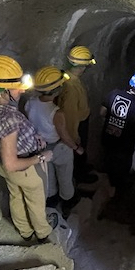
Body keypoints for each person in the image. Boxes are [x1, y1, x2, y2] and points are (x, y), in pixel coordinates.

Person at [0, 55, 55, 243]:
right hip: (24, 168)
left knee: (16, 197)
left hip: (1, 164)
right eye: (16, 88)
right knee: (35, 202)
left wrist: (32, 137)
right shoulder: (7, 118)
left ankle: (25, 232)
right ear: (2, 92)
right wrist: (42, 157)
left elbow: (8, 137)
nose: (21, 90)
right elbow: (11, 163)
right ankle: (43, 234)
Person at [25, 66, 85, 214]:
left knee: (48, 178)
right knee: (65, 175)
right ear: (57, 89)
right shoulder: (56, 112)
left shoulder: (30, 102)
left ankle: (52, 204)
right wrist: (77, 148)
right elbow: (64, 135)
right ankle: (68, 201)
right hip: (58, 147)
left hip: (40, 148)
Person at [58, 45, 98, 185]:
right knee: (79, 150)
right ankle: (80, 176)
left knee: (83, 150)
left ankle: (82, 167)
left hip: (81, 120)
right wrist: (74, 137)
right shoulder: (71, 88)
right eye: (85, 66)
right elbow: (70, 116)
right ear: (82, 66)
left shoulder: (71, 78)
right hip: (77, 124)